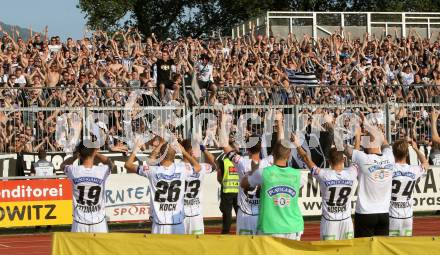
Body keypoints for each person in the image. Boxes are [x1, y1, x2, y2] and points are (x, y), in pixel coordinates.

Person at [124, 139, 200, 234]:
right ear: (174, 156)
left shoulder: (152, 170)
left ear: (161, 155)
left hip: (159, 226)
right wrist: (184, 152)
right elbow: (198, 167)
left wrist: (136, 149)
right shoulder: (182, 169)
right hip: (178, 224)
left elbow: (128, 164)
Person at [294, 135, 357, 240]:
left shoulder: (324, 175)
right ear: (343, 160)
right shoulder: (351, 173)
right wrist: (358, 136)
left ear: (329, 161)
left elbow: (305, 158)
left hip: (329, 222)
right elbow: (356, 157)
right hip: (346, 222)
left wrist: (297, 144)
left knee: (328, 250)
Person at [241, 141, 305, 240]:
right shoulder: (297, 175)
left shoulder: (263, 173)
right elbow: (300, 187)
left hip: (270, 228)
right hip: (293, 226)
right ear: (289, 155)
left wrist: (252, 171)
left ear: (273, 154)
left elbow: (243, 184)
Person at [344, 123, 395, 237]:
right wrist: (370, 127)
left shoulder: (363, 158)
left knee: (363, 250)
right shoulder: (389, 157)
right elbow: (385, 142)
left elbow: (344, 149)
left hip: (365, 213)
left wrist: (357, 136)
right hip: (384, 213)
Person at [222, 136, 273, 235]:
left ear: (248, 149)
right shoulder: (268, 163)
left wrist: (223, 122)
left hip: (245, 215)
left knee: (244, 247)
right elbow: (280, 145)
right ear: (261, 147)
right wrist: (280, 124)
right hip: (262, 214)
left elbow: (224, 144)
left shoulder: (241, 163)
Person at [60, 142, 114, 233]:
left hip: (79, 223)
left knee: (77, 248)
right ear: (93, 152)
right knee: (100, 247)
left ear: (79, 154)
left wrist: (75, 156)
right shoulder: (102, 170)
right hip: (99, 223)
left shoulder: (73, 170)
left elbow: (62, 165)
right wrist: (96, 153)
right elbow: (111, 164)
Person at [389, 138, 428, 236]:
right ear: (407, 154)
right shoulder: (414, 170)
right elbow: (426, 164)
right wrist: (415, 148)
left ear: (393, 153)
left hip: (392, 215)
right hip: (407, 216)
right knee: (405, 247)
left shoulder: (389, 169)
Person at [180, 139, 217, 235]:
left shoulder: (176, 167)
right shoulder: (202, 168)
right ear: (191, 151)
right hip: (196, 215)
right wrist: (204, 149)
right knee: (197, 245)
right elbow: (215, 164)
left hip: (180, 214)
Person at [216, 141, 239, 234]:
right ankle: (241, 232)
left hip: (227, 192)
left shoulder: (223, 162)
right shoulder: (240, 162)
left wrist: (224, 183)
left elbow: (219, 177)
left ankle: (225, 234)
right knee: (240, 215)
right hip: (238, 192)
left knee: (227, 215)